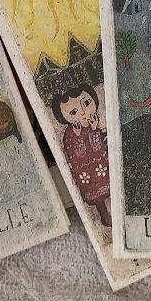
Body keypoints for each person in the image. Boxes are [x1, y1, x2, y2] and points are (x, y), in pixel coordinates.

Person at [51, 83, 112, 227]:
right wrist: (78, 136)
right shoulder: (70, 133)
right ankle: (104, 213)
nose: (84, 112)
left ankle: (114, 208)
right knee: (97, 195)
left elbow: (99, 144)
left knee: (110, 185)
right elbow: (75, 152)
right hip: (86, 171)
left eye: (87, 103)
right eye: (74, 112)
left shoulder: (94, 122)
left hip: (101, 164)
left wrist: (95, 129)